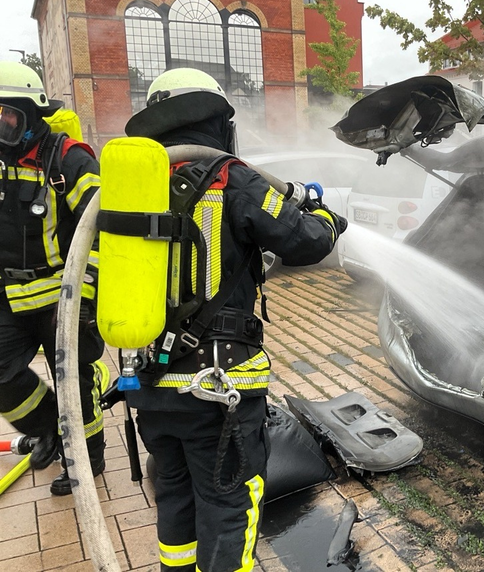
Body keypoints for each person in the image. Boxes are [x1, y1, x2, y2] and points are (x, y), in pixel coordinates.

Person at [123, 68, 346, 572]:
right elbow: (306, 241)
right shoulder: (229, 176)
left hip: (149, 384)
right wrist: (327, 217)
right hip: (216, 387)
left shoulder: (132, 188)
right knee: (228, 505)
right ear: (217, 120)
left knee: (175, 498)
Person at [0, 61, 106, 495]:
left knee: (73, 382)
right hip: (9, 295)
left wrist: (84, 297)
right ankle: (50, 429)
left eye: (6, 114)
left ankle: (88, 457)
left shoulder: (69, 160)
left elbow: (101, 228)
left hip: (63, 295)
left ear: (31, 113)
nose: (0, 124)